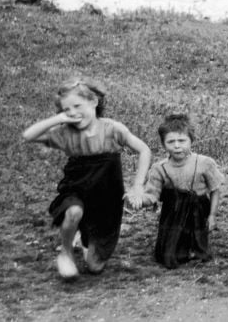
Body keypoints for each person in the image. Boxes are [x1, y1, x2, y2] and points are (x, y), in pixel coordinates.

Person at [21, 77, 151, 280]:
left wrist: (137, 186)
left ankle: (84, 240)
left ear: (94, 102)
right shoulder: (65, 133)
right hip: (77, 186)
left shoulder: (112, 129)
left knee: (95, 267)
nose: (72, 112)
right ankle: (65, 253)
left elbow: (144, 150)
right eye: (66, 109)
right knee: (73, 212)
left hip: (107, 192)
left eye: (77, 105)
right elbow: (28, 135)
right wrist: (59, 119)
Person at [131, 113, 225, 268]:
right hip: (173, 213)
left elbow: (215, 189)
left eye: (182, 140)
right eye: (171, 141)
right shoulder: (159, 169)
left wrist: (212, 215)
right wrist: (139, 200)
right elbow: (152, 195)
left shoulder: (205, 163)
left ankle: (196, 247)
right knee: (169, 255)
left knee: (198, 250)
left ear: (191, 140)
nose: (177, 146)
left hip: (198, 211)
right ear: (163, 144)